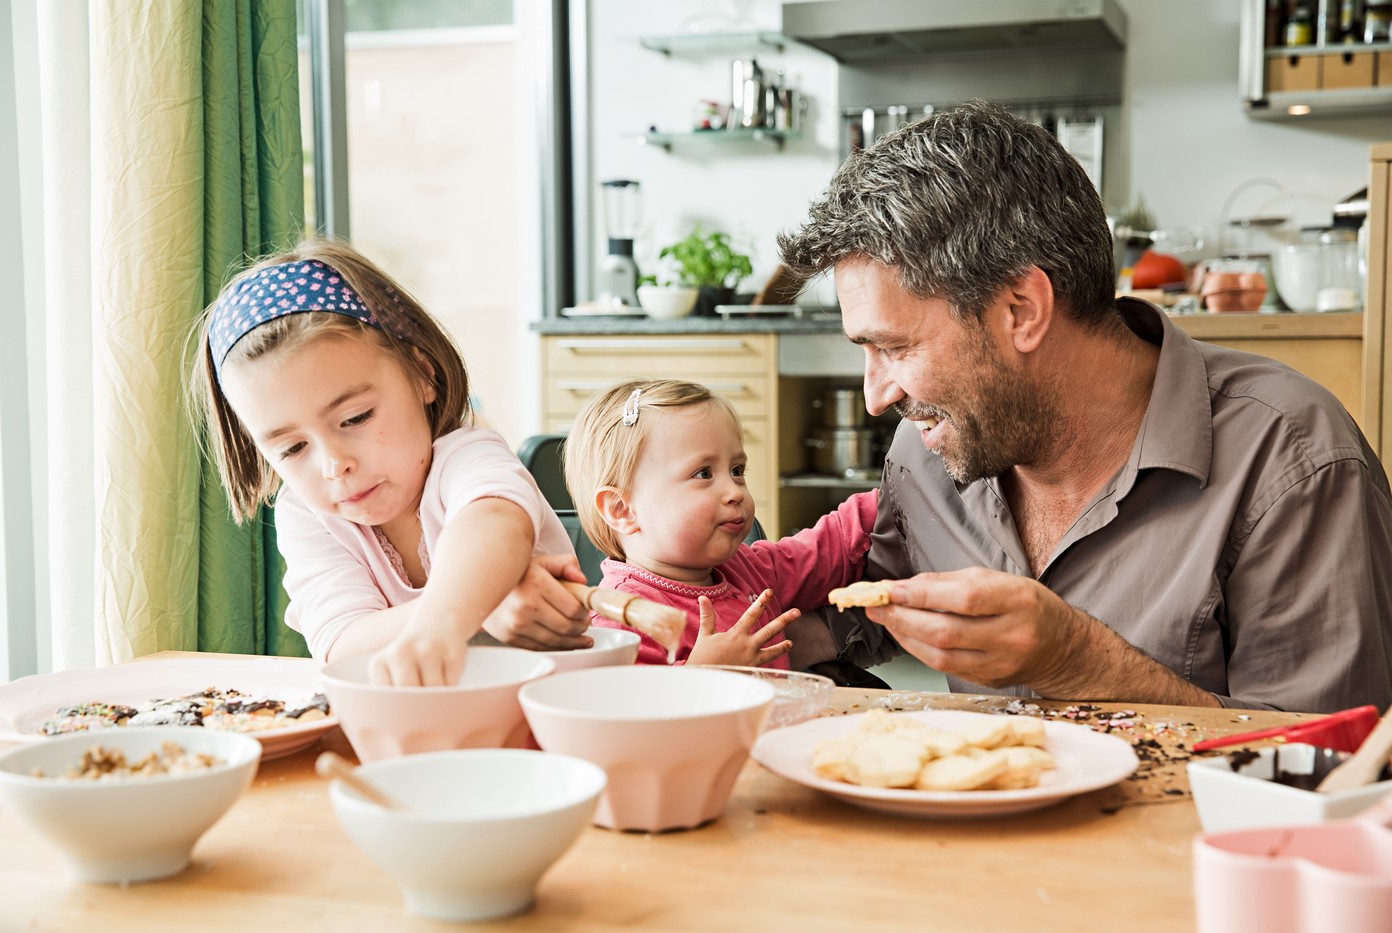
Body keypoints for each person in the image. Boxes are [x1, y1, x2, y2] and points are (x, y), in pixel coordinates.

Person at [776, 100, 1392, 713]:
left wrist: (1076, 660)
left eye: (895, 346)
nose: (876, 396)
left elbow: (1331, 770)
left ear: (1022, 311)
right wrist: (735, 644)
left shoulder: (1294, 462)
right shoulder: (929, 448)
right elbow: (883, 607)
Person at [189, 238, 591, 687]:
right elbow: (341, 642)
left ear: (423, 375)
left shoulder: (468, 457)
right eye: (291, 449)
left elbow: (494, 524)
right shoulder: (306, 514)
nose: (334, 464)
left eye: (355, 417)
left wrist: (448, 619)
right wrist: (481, 607)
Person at [563, 379, 878, 670]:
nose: (734, 492)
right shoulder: (620, 621)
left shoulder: (744, 568)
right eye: (703, 474)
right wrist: (703, 673)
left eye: (737, 470)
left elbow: (823, 551)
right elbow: (628, 718)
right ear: (622, 509)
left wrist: (886, 499)